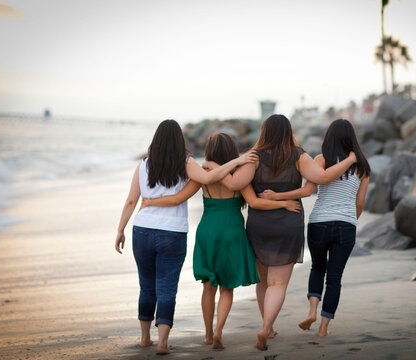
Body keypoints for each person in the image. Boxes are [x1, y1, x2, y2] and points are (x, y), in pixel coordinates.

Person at [204, 114, 357, 350]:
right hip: (289, 222)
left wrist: (214, 166)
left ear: (264, 132)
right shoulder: (299, 156)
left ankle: (270, 328)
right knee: (278, 283)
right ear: (289, 132)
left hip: (259, 225)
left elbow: (233, 184)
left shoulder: (253, 158)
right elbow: (322, 178)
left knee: (264, 281)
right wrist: (349, 161)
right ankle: (266, 327)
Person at [141, 132, 302, 350]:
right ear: (232, 152)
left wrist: (151, 201)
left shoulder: (204, 173)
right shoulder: (237, 175)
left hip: (208, 230)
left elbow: (179, 197)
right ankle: (219, 331)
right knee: (227, 288)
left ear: (209, 152)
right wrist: (283, 204)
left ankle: (207, 334)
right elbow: (254, 202)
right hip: (233, 230)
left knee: (208, 286)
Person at [114, 120, 257, 355]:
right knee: (169, 289)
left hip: (146, 229)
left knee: (148, 287)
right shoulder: (187, 163)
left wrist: (121, 229)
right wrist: (238, 161)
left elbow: (131, 201)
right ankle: (165, 343)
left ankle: (145, 338)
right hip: (179, 232)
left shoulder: (144, 165)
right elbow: (204, 184)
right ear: (181, 140)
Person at [259, 119, 370, 337]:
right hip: (345, 225)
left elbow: (307, 190)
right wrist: (350, 220)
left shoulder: (321, 160)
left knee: (318, 268)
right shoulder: (362, 167)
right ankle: (323, 327)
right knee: (335, 277)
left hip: (319, 223)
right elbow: (360, 203)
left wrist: (277, 196)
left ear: (329, 138)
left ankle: (311, 311)